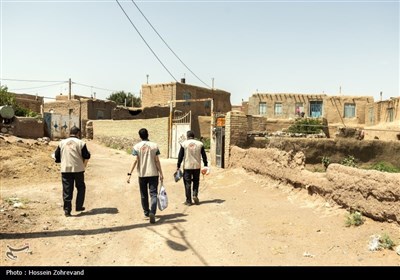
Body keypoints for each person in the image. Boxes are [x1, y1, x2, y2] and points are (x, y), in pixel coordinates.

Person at [127, 128, 164, 224]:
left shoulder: (136, 147)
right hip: (153, 173)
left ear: (140, 136)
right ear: (148, 134)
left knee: (143, 194)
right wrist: (161, 173)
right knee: (154, 194)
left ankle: (146, 213)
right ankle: (153, 212)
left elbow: (135, 160)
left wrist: (129, 174)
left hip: (142, 174)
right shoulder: (154, 146)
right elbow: (157, 160)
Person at [54, 126, 90, 217]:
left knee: (67, 190)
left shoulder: (61, 143)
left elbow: (57, 157)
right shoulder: (81, 143)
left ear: (70, 133)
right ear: (78, 133)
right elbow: (87, 155)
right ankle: (79, 206)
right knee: (81, 187)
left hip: (65, 170)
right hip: (78, 169)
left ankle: (67, 210)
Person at [177, 130, 208, 206]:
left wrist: (178, 165)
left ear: (187, 136)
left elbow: (180, 156)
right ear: (194, 136)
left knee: (187, 183)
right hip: (197, 166)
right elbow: (204, 155)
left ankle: (188, 201)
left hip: (187, 167)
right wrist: (206, 164)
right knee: (196, 181)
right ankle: (195, 195)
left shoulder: (184, 144)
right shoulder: (200, 144)